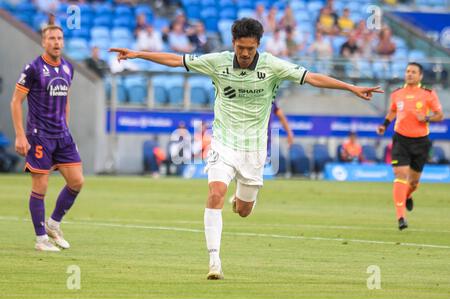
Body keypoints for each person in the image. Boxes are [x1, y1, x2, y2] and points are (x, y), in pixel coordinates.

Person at [110, 18, 383, 280]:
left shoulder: (272, 66)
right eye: (240, 47)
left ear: (258, 45)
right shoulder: (217, 62)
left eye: (250, 48)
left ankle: (240, 200)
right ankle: (214, 260)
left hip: (254, 151)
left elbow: (312, 78)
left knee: (243, 211)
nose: (244, 53)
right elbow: (176, 60)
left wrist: (350, 87)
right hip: (223, 143)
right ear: (233, 42)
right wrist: (137, 54)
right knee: (215, 192)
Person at [10, 25, 84, 251]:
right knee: (40, 187)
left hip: (62, 135)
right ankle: (41, 239)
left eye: (60, 38)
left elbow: (66, 100)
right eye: (52, 38)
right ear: (44, 42)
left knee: (77, 181)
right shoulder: (33, 68)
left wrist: (66, 126)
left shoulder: (68, 68)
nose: (57, 42)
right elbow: (15, 102)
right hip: (39, 136)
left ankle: (53, 224)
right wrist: (20, 136)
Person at [376, 62, 444, 230]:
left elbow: (440, 115)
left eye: (413, 72)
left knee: (413, 182)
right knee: (400, 175)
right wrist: (384, 125)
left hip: (421, 142)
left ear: (420, 75)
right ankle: (401, 217)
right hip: (401, 140)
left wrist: (426, 119)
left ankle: (407, 195)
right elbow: (393, 110)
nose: (410, 74)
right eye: (407, 71)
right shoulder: (397, 93)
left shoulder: (428, 94)